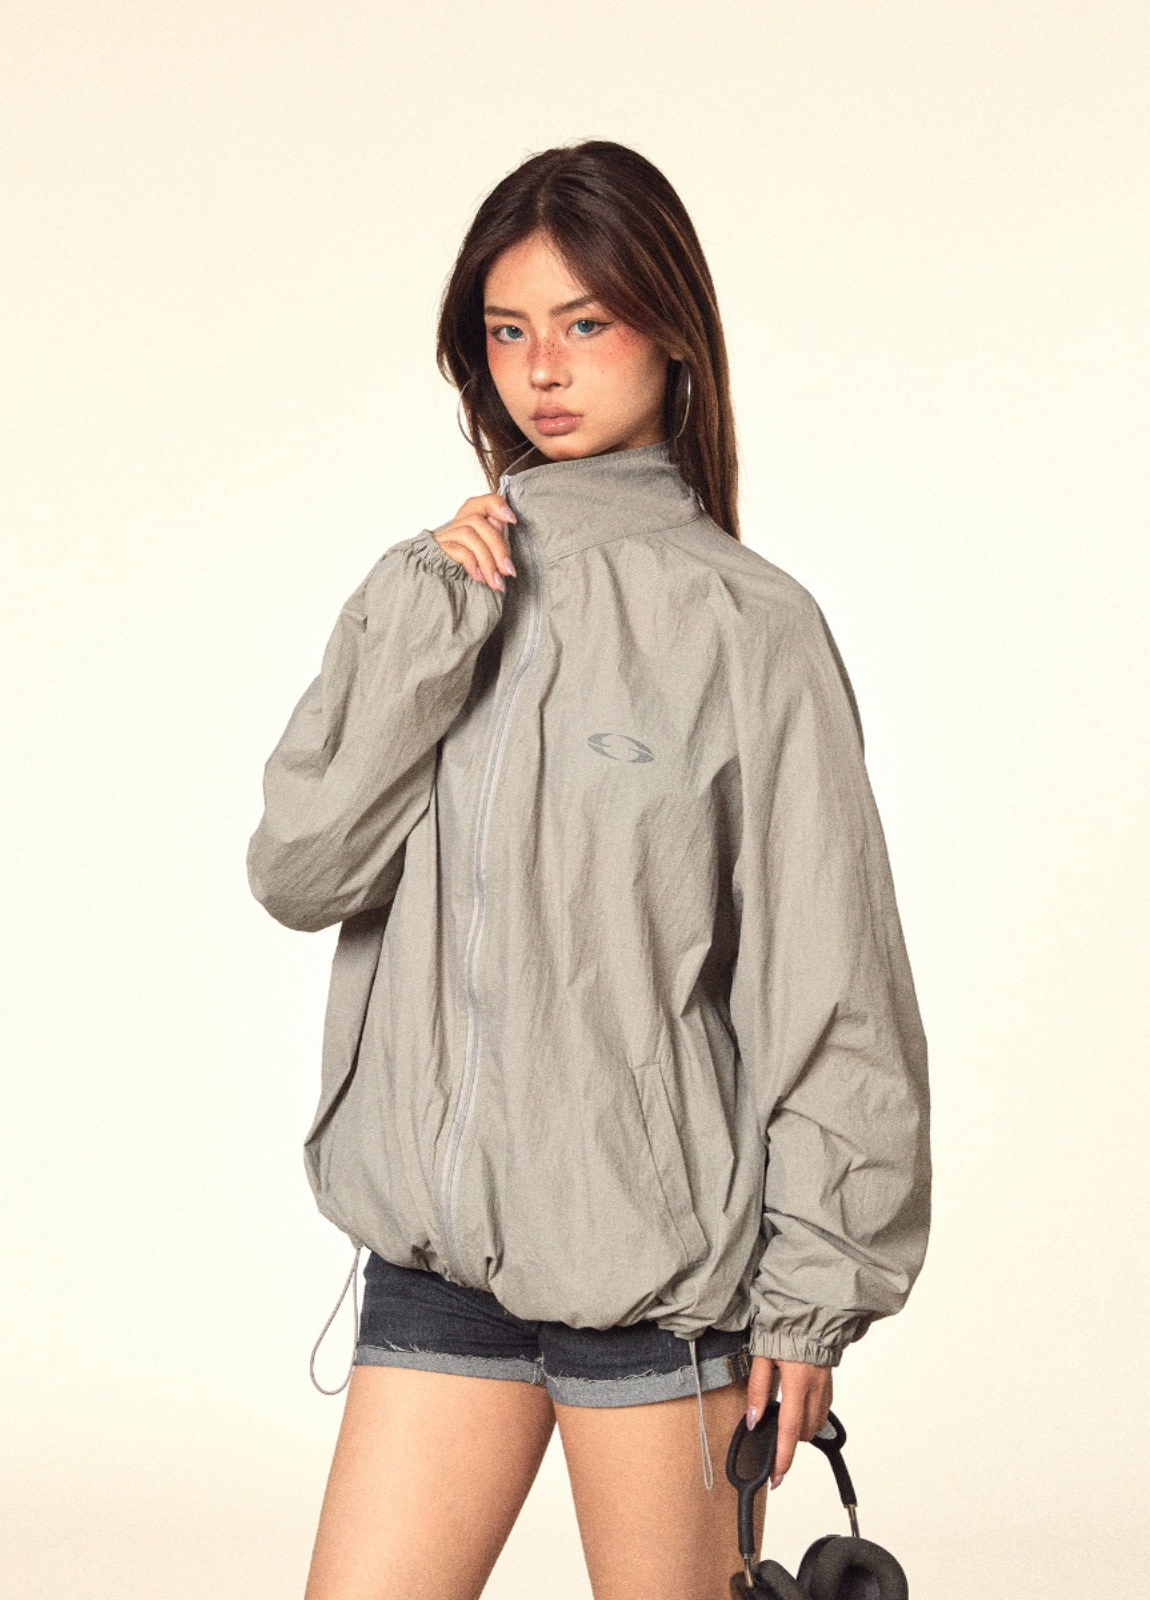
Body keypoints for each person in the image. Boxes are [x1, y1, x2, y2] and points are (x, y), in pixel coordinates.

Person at [246, 138, 931, 1600]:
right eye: (508, 331)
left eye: (585, 322)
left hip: (659, 1288)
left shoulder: (750, 629)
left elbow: (832, 985)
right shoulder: (430, 596)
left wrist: (810, 1305)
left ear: (670, 333)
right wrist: (428, 632)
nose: (542, 370)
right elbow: (301, 870)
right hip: (442, 1268)